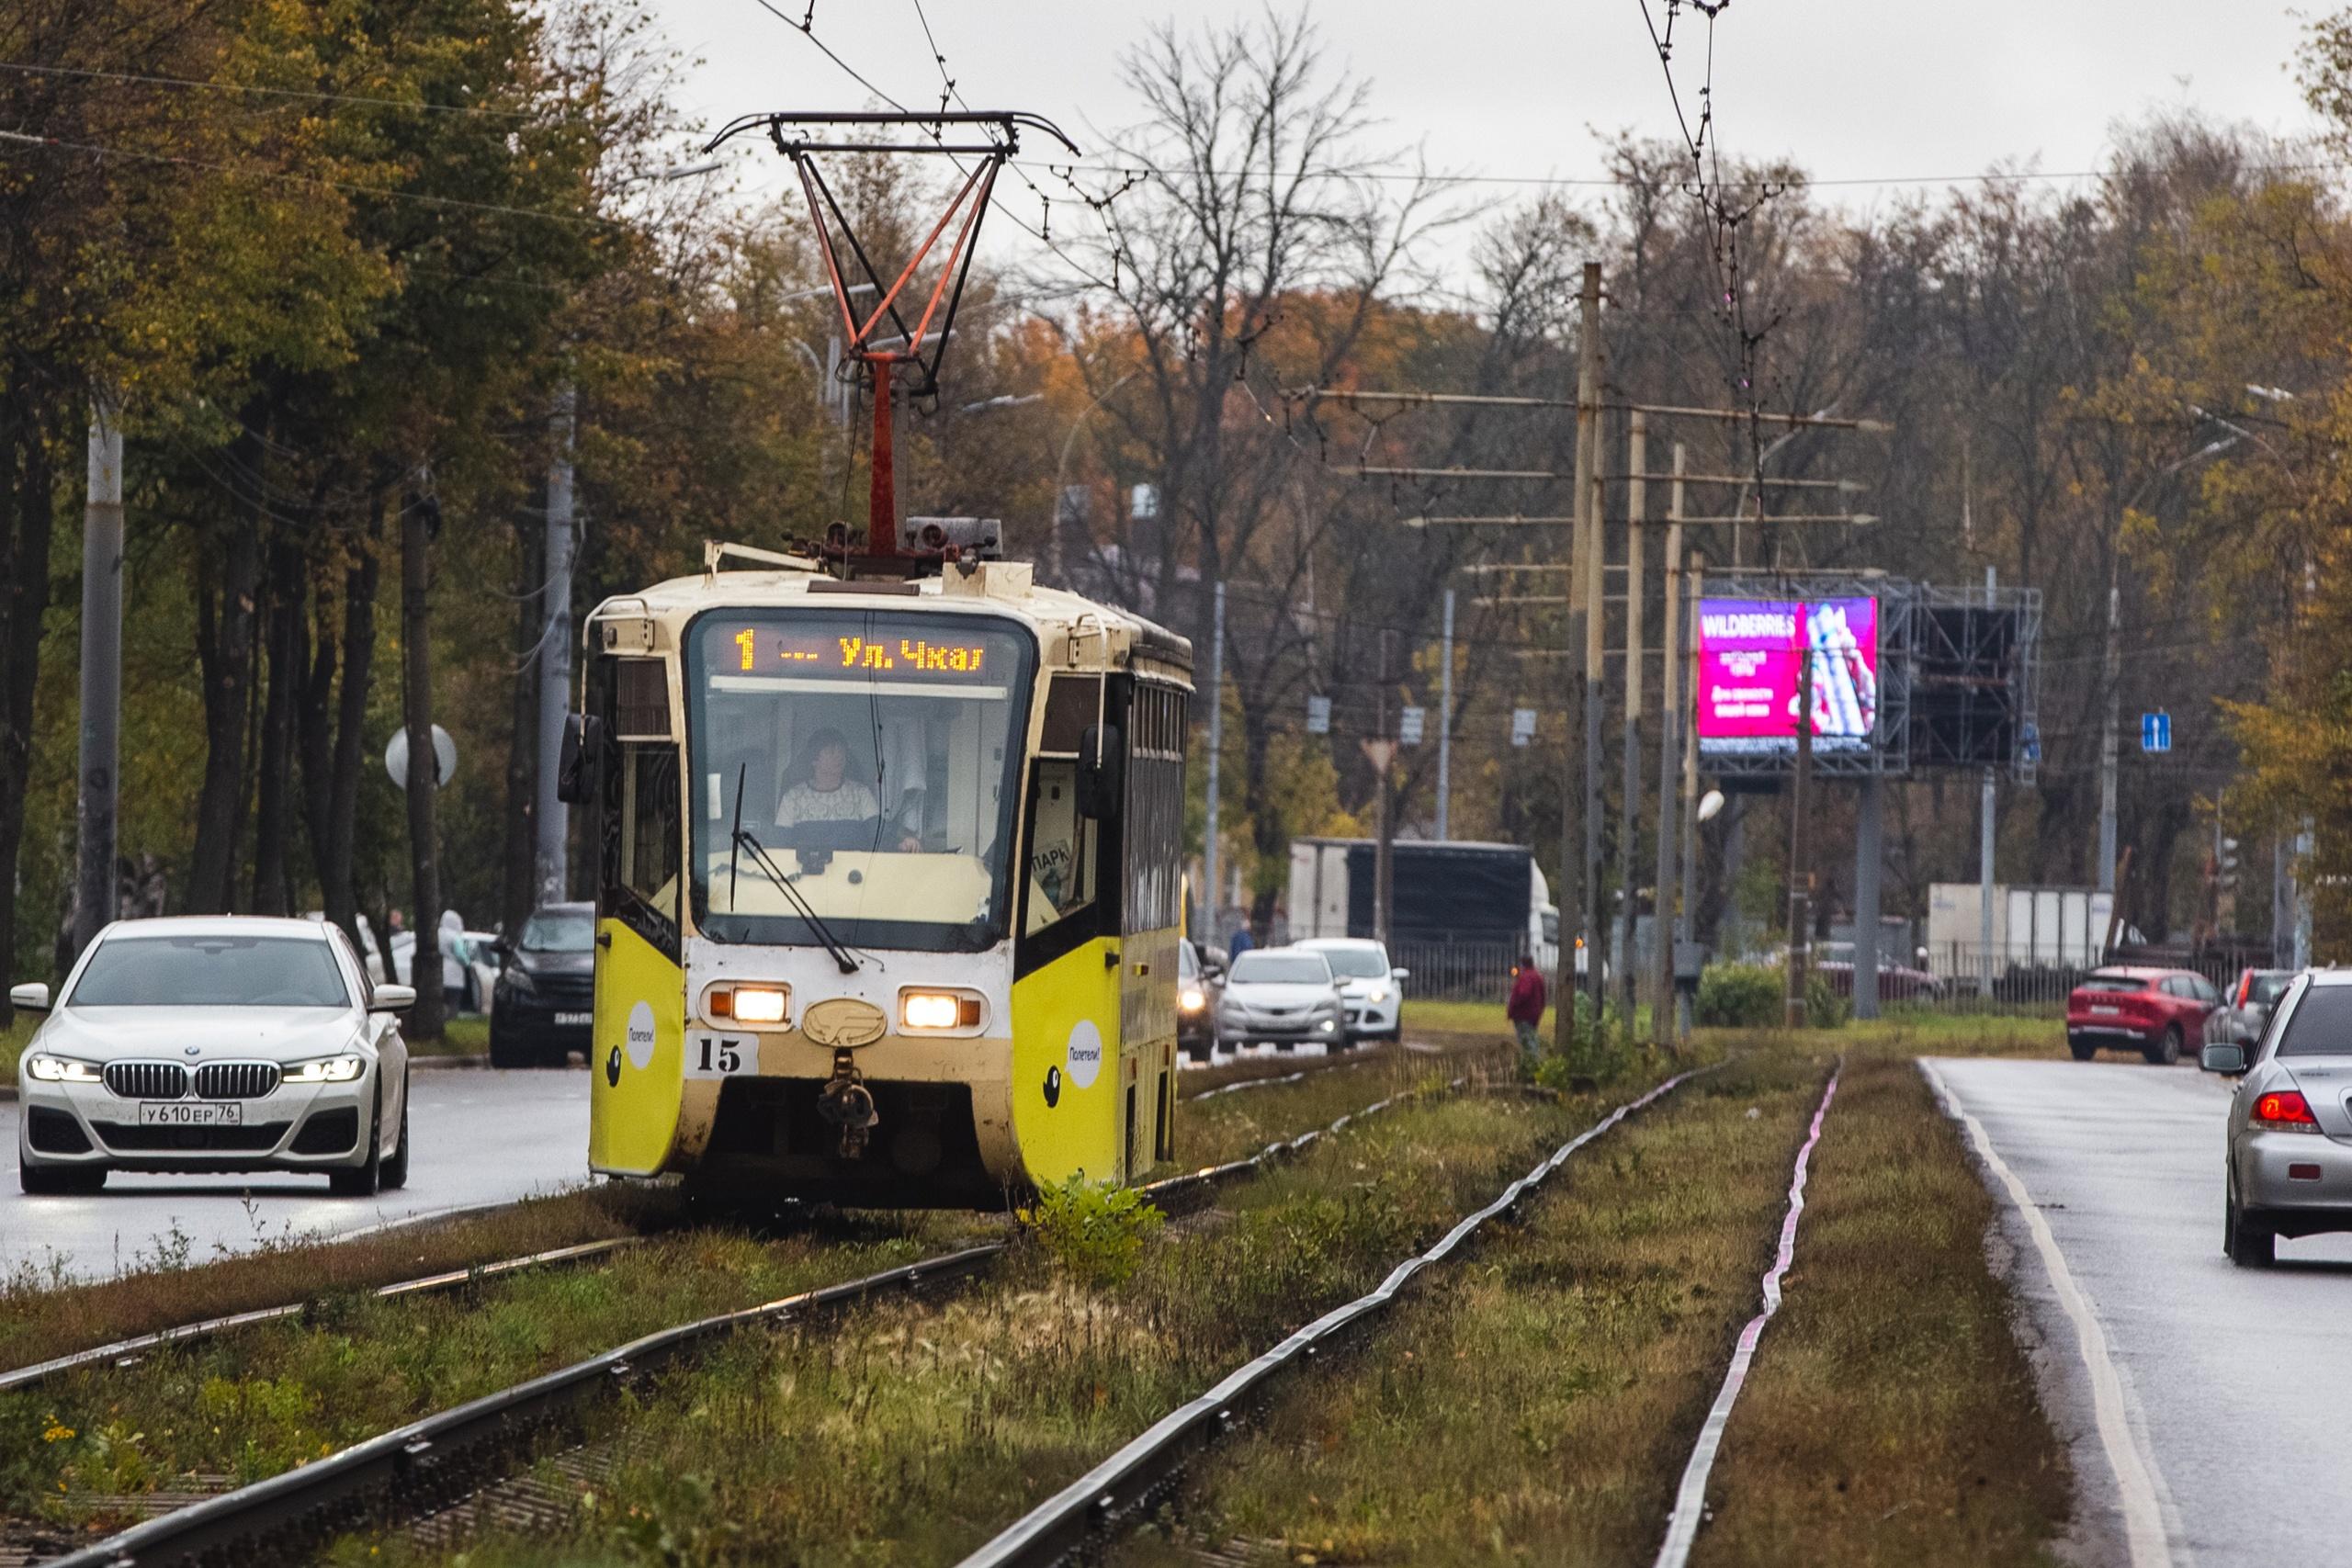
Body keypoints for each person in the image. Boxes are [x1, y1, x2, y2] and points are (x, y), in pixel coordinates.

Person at [775, 728, 919, 851]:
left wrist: (902, 842)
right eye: (831, 751)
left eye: (842, 750)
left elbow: (880, 834)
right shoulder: (792, 797)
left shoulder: (860, 793)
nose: (839, 756)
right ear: (814, 760)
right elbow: (779, 844)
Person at [1507, 954, 1547, 1061]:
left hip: (1523, 1014)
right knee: (1532, 1038)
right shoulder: (1537, 976)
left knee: (1526, 1040)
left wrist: (1514, 1004)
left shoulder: (1527, 977)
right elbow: (1543, 997)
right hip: (1534, 1014)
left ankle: (1531, 1063)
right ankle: (1533, 1062)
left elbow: (1524, 993)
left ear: (1523, 964)